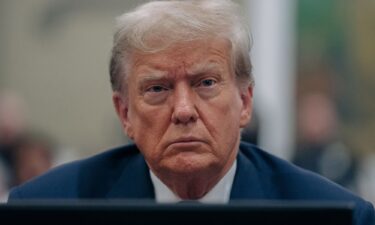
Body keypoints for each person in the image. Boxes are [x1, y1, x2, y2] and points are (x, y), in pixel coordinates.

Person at [8, 1, 374, 224]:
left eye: (206, 83)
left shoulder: (335, 215)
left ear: (245, 102)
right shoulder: (44, 210)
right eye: (157, 89)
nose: (183, 111)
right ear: (124, 114)